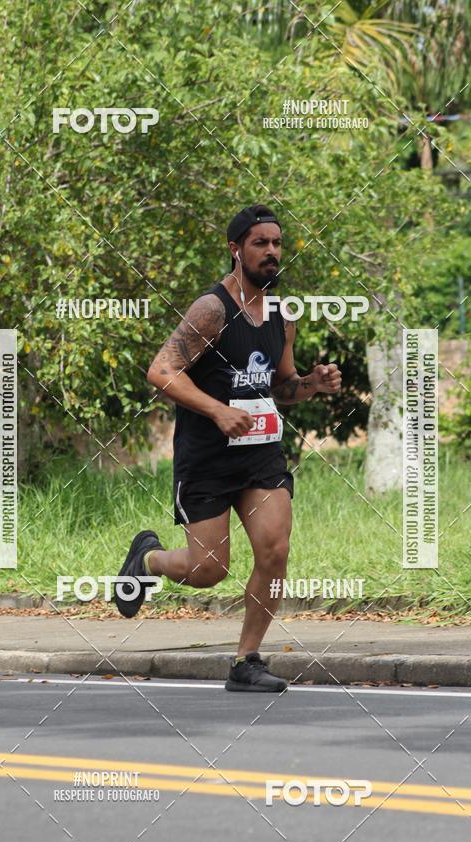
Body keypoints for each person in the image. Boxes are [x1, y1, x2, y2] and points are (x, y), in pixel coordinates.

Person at [115, 204, 342, 692]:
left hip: (260, 455)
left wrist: (312, 384)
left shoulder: (282, 315)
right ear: (236, 249)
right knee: (207, 570)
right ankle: (149, 559)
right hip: (207, 458)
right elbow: (161, 371)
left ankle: (246, 661)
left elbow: (282, 387)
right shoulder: (212, 309)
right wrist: (217, 410)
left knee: (275, 549)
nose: (272, 252)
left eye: (277, 243)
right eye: (261, 243)